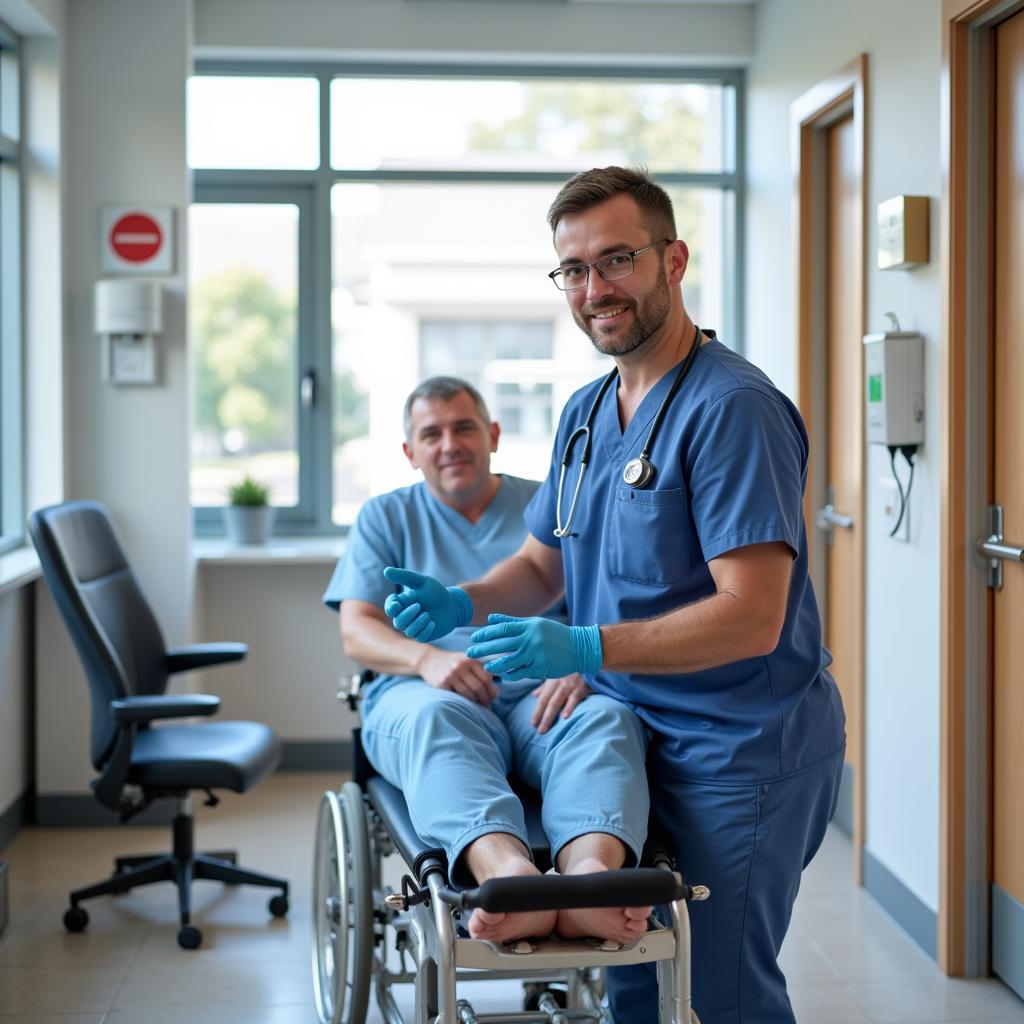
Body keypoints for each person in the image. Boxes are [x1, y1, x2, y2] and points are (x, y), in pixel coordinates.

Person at [382, 169, 846, 1024]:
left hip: (733, 751)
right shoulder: (587, 413)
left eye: (617, 260)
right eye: (573, 269)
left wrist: (588, 649)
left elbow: (753, 614)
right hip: (640, 739)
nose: (595, 289)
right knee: (631, 967)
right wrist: (461, 599)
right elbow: (542, 567)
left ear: (673, 260)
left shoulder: (733, 409)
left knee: (720, 991)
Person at [322, 375, 652, 947]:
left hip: (541, 695)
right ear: (410, 452)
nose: (449, 443)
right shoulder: (386, 517)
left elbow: (601, 601)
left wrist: (583, 663)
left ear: (493, 434)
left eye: (464, 427)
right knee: (436, 720)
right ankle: (507, 878)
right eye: (431, 433)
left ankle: (591, 880)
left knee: (603, 720)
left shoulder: (549, 503)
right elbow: (357, 630)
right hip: (428, 695)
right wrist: (426, 660)